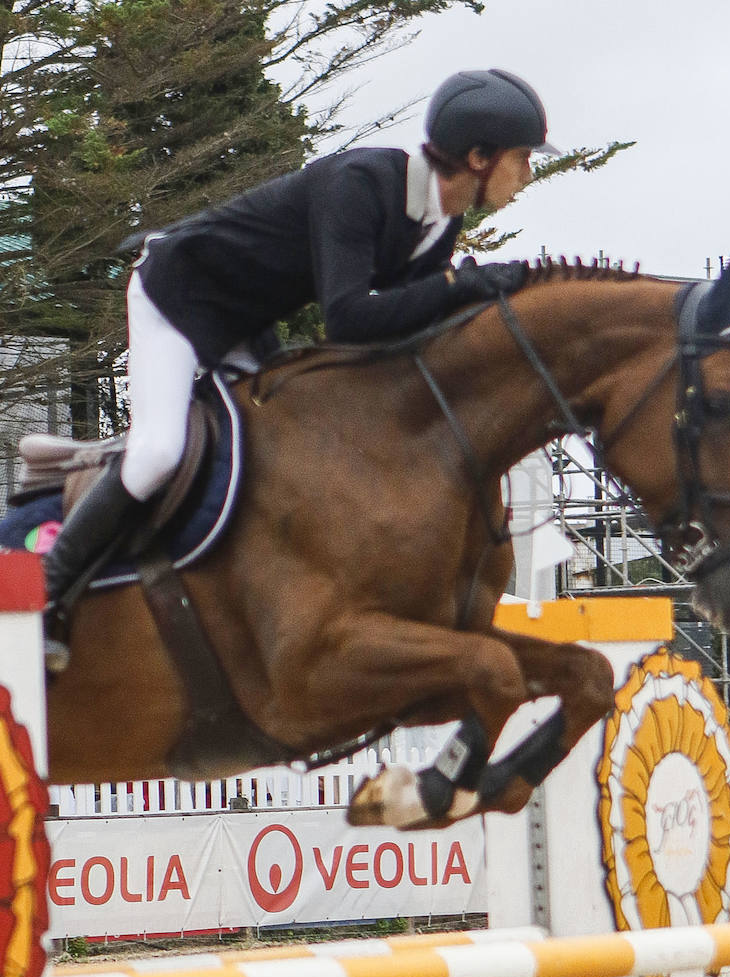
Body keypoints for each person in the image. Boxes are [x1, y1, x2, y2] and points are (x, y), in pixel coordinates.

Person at [43, 69, 557, 623]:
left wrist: (481, 308)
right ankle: (48, 593)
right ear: (479, 156)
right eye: (523, 157)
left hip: (246, 323)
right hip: (178, 300)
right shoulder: (360, 184)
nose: (528, 173)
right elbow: (350, 320)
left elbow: (410, 326)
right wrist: (458, 286)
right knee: (156, 454)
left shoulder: (440, 221)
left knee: (293, 451)